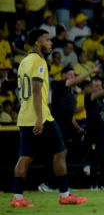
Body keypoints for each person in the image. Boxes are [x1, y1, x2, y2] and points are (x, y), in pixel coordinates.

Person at [12, 29, 87, 208]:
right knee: (61, 152)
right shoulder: (39, 62)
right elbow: (37, 90)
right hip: (41, 116)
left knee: (25, 156)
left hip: (24, 117)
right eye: (47, 40)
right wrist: (39, 117)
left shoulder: (24, 62)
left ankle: (18, 198)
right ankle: (65, 195)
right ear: (37, 43)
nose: (50, 43)